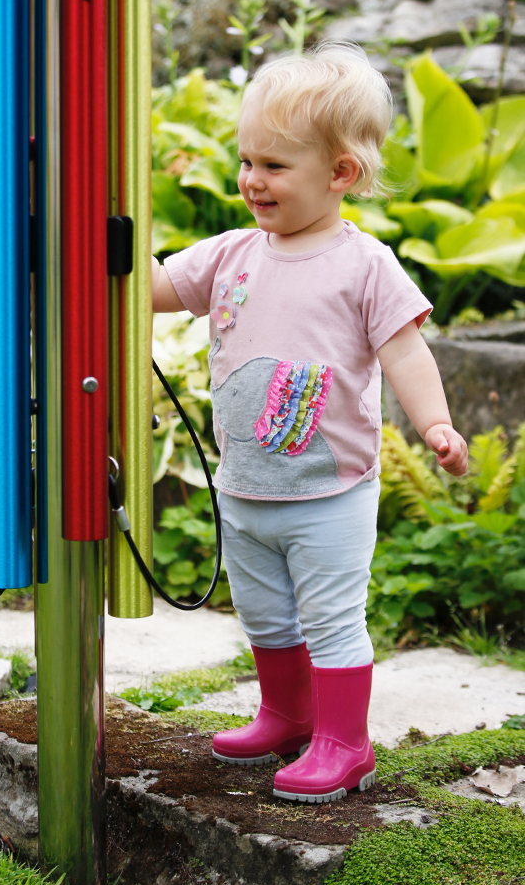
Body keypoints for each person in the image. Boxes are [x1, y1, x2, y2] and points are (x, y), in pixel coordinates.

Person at [151, 42, 467, 804]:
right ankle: (287, 713)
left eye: (274, 165)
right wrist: (103, 250)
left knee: (329, 617)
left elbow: (405, 350)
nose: (252, 180)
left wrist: (435, 424)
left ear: (341, 174)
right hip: (247, 486)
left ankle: (343, 742)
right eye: (245, 161)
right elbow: (154, 287)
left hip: (329, 494)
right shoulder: (231, 255)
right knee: (263, 613)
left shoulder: (365, 266)